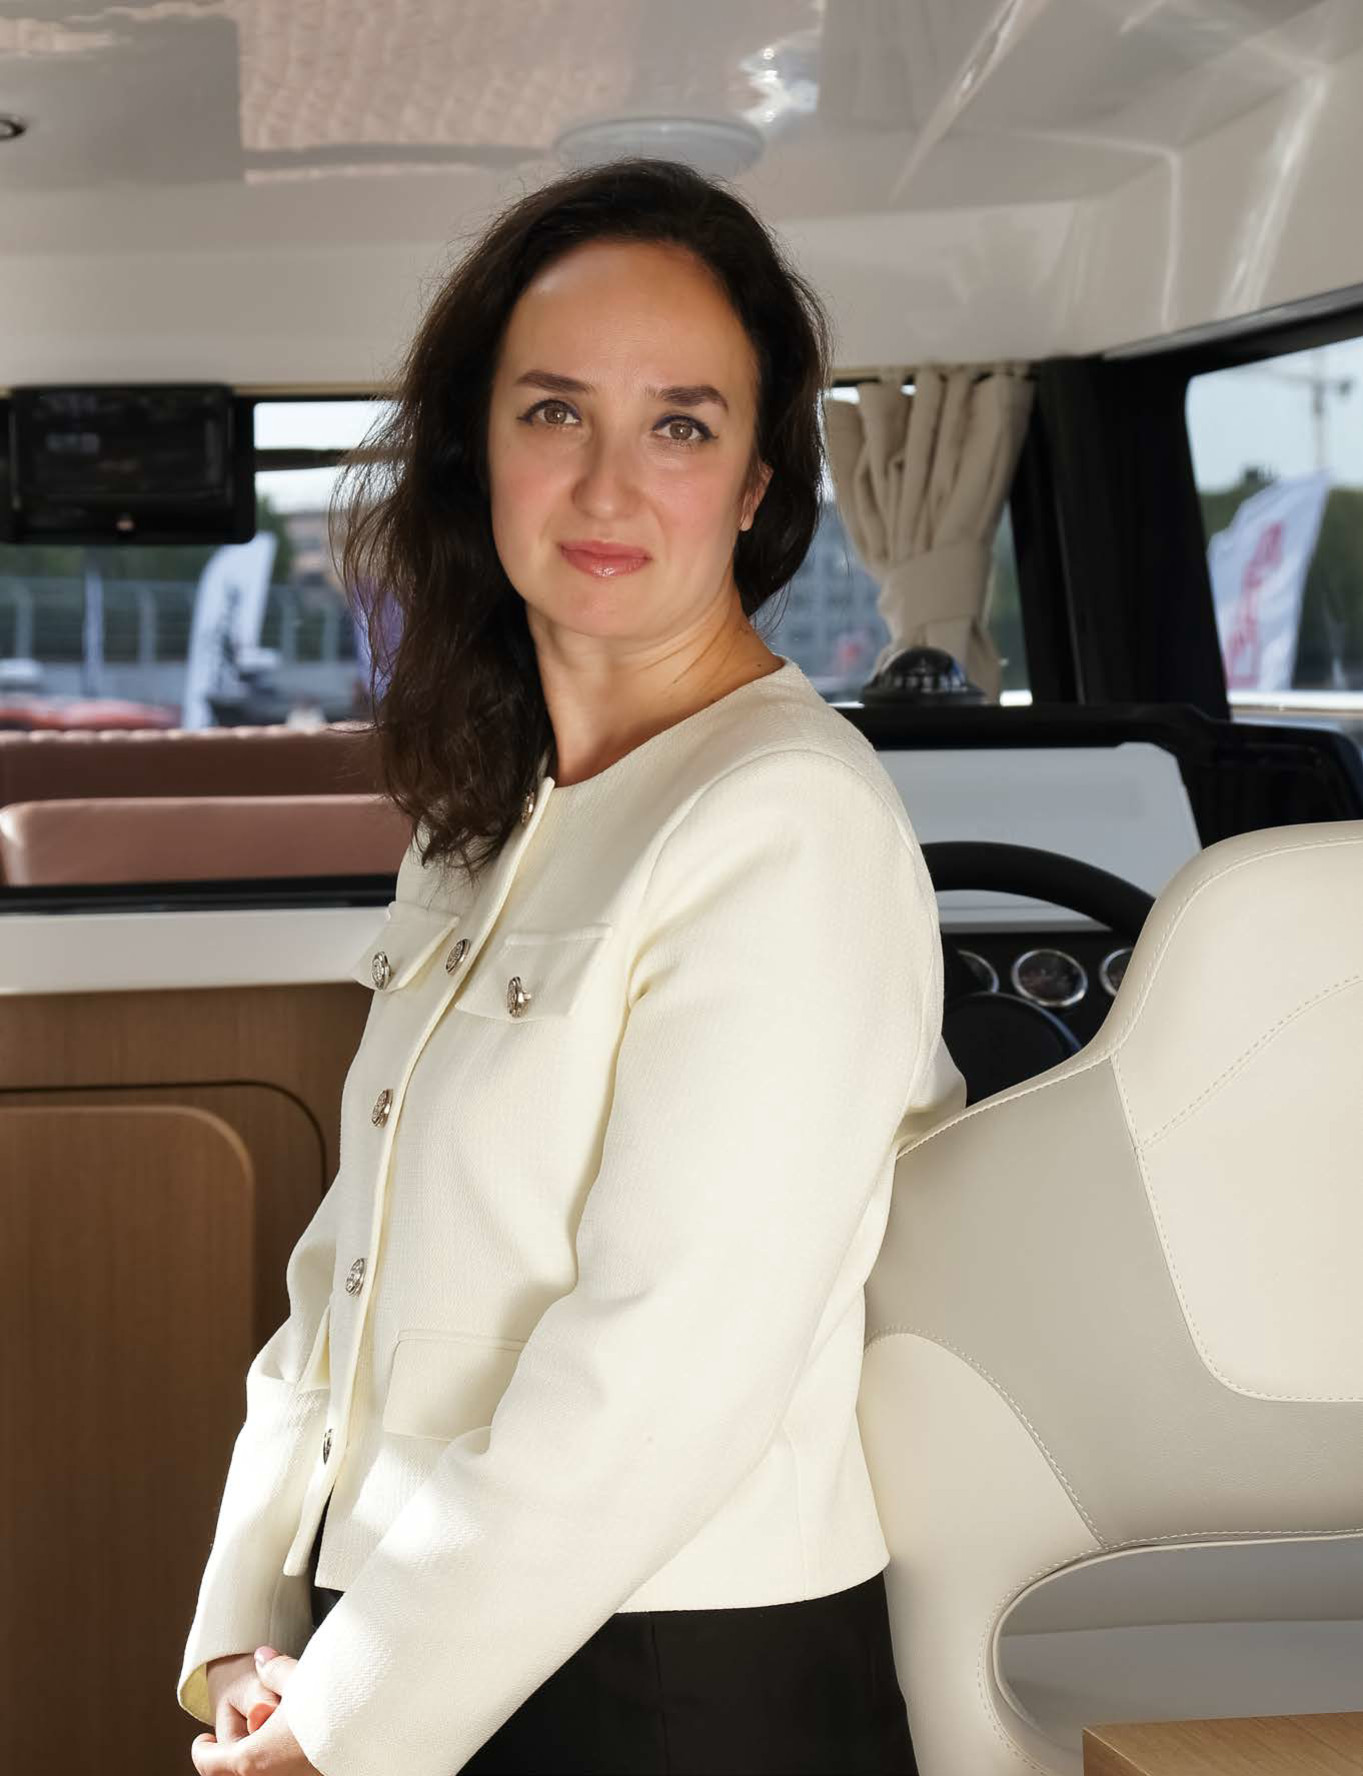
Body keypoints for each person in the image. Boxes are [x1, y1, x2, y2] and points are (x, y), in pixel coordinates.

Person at [177, 154, 967, 1776]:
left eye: (681, 425)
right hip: (406, 1632)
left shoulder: (787, 820)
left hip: (671, 1677)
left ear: (753, 487)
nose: (609, 485)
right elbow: (347, 1268)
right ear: (476, 448)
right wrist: (255, 1622)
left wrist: (352, 1712)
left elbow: (665, 1369)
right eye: (555, 412)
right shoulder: (483, 819)